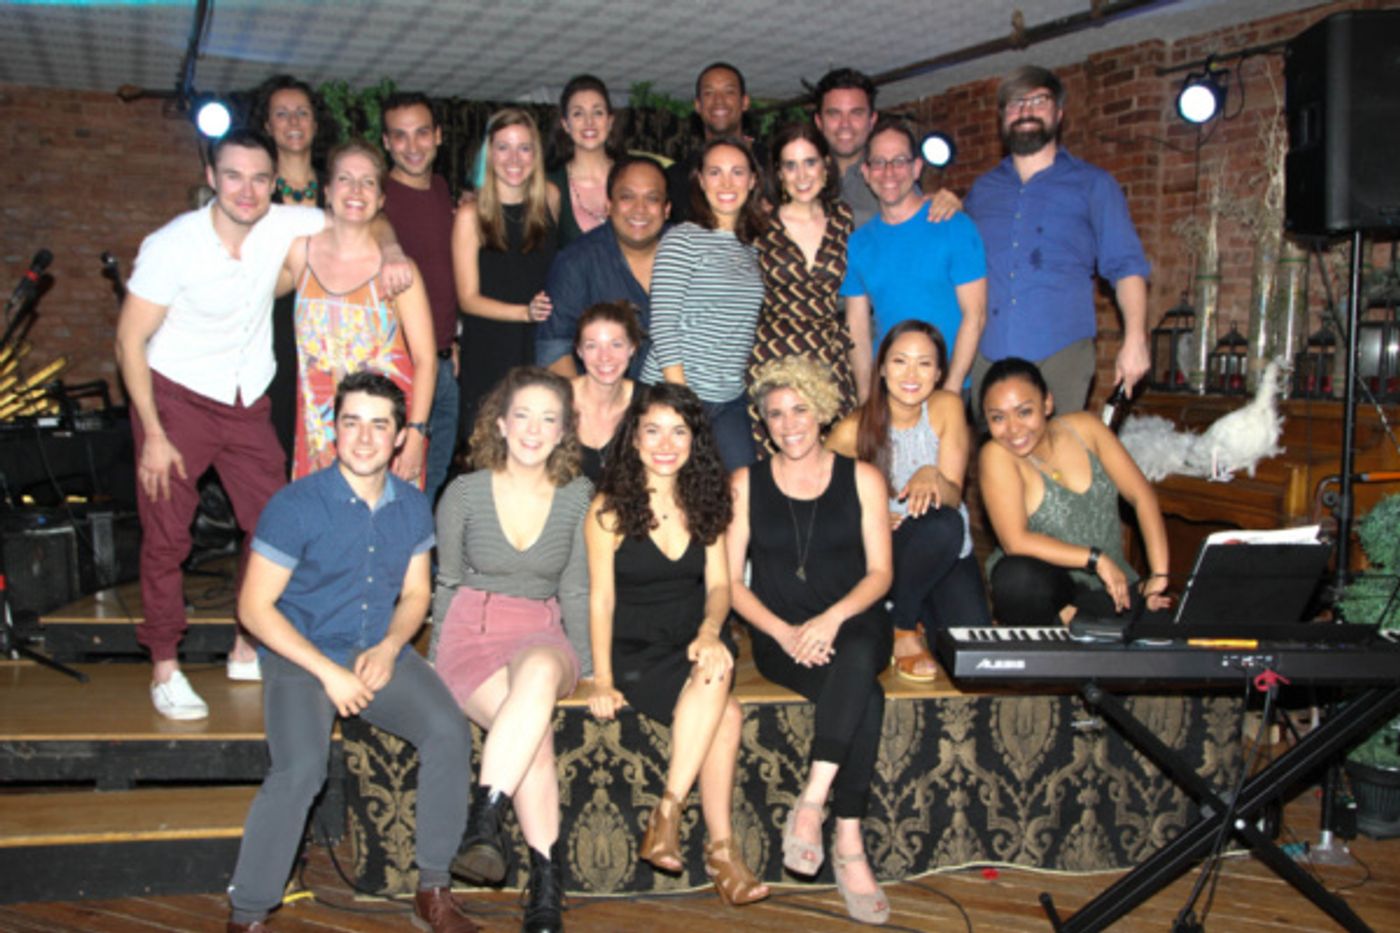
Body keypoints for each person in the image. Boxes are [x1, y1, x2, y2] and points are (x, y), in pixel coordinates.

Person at [226, 372, 478, 933]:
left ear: (398, 438)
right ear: (333, 430)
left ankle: (433, 888)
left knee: (447, 730)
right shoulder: (295, 505)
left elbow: (416, 594)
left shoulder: (412, 506)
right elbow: (255, 609)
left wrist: (391, 646)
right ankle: (246, 915)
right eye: (352, 423)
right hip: (301, 654)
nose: (364, 438)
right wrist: (327, 673)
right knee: (300, 771)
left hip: (372, 647)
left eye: (379, 425)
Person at [115, 130, 327, 715]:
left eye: (260, 178)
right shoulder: (172, 245)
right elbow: (130, 341)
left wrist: (386, 253)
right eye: (234, 176)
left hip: (246, 399)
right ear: (211, 176)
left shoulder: (284, 223)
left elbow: (358, 221)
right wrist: (154, 435)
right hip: (177, 400)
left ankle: (247, 641)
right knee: (167, 537)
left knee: (273, 528)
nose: (247, 189)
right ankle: (164, 665)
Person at [585, 382, 769, 907]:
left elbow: (719, 587)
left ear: (695, 440)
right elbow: (599, 601)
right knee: (726, 713)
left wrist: (711, 630)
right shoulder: (608, 509)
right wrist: (601, 677)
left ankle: (670, 815)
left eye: (679, 431)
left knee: (716, 669)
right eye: (653, 431)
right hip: (636, 653)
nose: (666, 443)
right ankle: (719, 849)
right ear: (635, 440)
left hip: (694, 642)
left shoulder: (706, 500)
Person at [728, 355, 893, 925]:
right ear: (763, 422)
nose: (789, 422)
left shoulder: (864, 478)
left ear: (821, 410)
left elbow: (880, 574)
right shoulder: (745, 483)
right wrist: (784, 631)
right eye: (775, 413)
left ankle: (814, 802)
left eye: (800, 408)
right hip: (779, 634)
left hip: (854, 620)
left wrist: (827, 621)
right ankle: (848, 838)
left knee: (856, 651)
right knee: (865, 694)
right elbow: (728, 584)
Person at [431, 367, 591, 933]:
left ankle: (484, 820)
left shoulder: (578, 496)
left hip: (541, 629)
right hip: (472, 630)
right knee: (534, 736)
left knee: (542, 676)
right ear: (500, 423)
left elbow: (575, 587)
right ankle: (547, 887)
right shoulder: (464, 492)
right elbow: (446, 582)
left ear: (564, 431)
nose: (534, 429)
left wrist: (590, 670)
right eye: (523, 415)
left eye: (549, 419)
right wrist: (433, 658)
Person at [965, 65, 1152, 415]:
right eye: (1015, 103)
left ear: (1059, 112)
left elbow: (1126, 265)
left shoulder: (1094, 185)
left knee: (1055, 466)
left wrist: (1136, 338)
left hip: (1060, 354)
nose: (1026, 111)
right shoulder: (981, 191)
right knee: (993, 466)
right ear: (1002, 117)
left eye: (1038, 101)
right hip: (987, 355)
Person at [827, 321, 990, 683]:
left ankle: (901, 610)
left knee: (971, 652)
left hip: (946, 549)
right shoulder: (853, 429)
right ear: (882, 368)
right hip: (888, 553)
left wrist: (934, 475)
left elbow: (952, 495)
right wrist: (871, 516)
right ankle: (902, 628)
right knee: (942, 524)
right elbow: (820, 500)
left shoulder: (947, 407)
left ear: (939, 373)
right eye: (900, 361)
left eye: (925, 363)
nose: (912, 374)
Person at [285, 139, 437, 489]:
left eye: (368, 182)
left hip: (386, 433)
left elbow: (426, 360)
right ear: (327, 190)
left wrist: (414, 435)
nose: (356, 190)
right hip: (318, 431)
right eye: (345, 179)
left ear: (381, 200)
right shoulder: (298, 254)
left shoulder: (398, 269)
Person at [978, 357, 1170, 627]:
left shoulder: (1085, 428)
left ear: (1047, 403)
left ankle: (1083, 624)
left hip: (1112, 587)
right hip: (1048, 590)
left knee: (1170, 632)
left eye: (1024, 412)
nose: (1012, 428)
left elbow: (1141, 496)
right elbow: (1015, 542)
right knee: (1016, 578)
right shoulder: (996, 455)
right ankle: (1061, 623)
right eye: (998, 417)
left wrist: (1159, 577)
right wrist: (1095, 558)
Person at [641, 137, 766, 471]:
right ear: (700, 180)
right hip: (678, 392)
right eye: (715, 172)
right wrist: (681, 405)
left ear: (752, 181)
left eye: (737, 172)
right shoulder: (682, 238)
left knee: (741, 492)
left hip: (729, 397)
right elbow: (663, 325)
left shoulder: (751, 247)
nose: (726, 182)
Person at [841, 117, 987, 402]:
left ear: (917, 167)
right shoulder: (859, 243)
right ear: (866, 172)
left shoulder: (954, 226)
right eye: (879, 163)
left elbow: (975, 315)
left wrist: (952, 390)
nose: (889, 172)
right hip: (890, 389)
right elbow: (856, 327)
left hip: (948, 384)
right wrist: (865, 394)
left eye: (899, 161)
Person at [452, 109, 561, 446]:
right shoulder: (471, 216)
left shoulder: (550, 200)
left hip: (540, 347)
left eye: (524, 148)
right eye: (503, 147)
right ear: (489, 153)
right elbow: (467, 299)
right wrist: (523, 313)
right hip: (490, 349)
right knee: (490, 452)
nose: (514, 158)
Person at [748, 123, 858, 446]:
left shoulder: (843, 219)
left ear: (826, 165)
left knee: (835, 457)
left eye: (810, 162)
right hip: (772, 357)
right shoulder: (758, 223)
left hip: (828, 356)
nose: (802, 175)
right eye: (791, 165)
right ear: (779, 173)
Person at [381, 91, 460, 502]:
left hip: (444, 366)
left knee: (428, 488)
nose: (412, 146)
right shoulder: (378, 198)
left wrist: (454, 339)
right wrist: (391, 248)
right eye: (400, 136)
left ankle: (416, 566)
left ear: (439, 136)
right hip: (402, 370)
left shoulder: (442, 189)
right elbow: (376, 227)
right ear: (386, 143)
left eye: (421, 133)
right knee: (397, 488)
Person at [251, 75, 332, 468]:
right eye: (281, 114)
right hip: (276, 332)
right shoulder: (254, 193)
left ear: (316, 122)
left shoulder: (339, 188)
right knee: (279, 445)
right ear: (267, 126)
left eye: (302, 112)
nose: (294, 121)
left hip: (333, 332)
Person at [536, 156, 669, 378]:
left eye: (652, 199)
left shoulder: (693, 254)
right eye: (627, 197)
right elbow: (553, 349)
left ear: (667, 209)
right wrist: (587, 407)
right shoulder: (575, 262)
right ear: (609, 205)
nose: (640, 209)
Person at [811, 68, 962, 229]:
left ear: (872, 120)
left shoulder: (891, 179)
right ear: (819, 122)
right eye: (834, 114)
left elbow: (928, 228)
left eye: (856, 113)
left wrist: (947, 208)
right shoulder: (799, 178)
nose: (845, 125)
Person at [665, 62, 767, 224]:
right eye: (709, 93)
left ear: (745, 102)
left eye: (729, 92)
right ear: (698, 105)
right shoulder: (677, 177)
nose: (719, 100)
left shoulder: (772, 163)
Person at [570, 301, 643, 483]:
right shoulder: (556, 400)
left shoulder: (648, 403)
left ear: (632, 348)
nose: (605, 356)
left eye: (616, 344)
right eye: (592, 346)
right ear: (579, 351)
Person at [547, 74, 618, 246]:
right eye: (578, 113)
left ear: (609, 121)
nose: (589, 122)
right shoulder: (550, 185)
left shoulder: (633, 174)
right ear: (565, 124)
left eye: (597, 112)